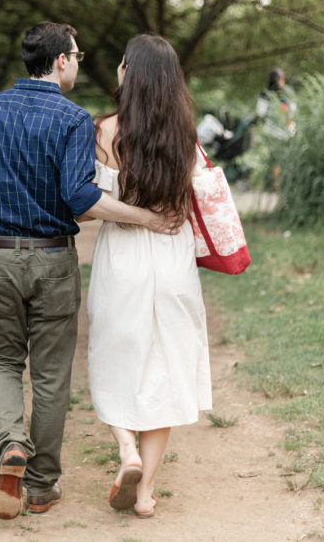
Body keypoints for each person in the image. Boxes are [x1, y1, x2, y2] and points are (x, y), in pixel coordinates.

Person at [0, 22, 182, 521]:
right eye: (76, 55)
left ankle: (11, 443)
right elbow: (81, 196)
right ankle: (41, 484)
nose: (79, 63)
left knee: (0, 362)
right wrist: (145, 218)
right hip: (55, 258)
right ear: (60, 61)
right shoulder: (74, 120)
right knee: (52, 376)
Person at [87, 34, 212, 518]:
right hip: (172, 255)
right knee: (164, 365)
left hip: (124, 256)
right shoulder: (185, 136)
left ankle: (126, 450)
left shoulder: (104, 132)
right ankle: (144, 495)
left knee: (114, 354)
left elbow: (90, 205)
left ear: (129, 74)